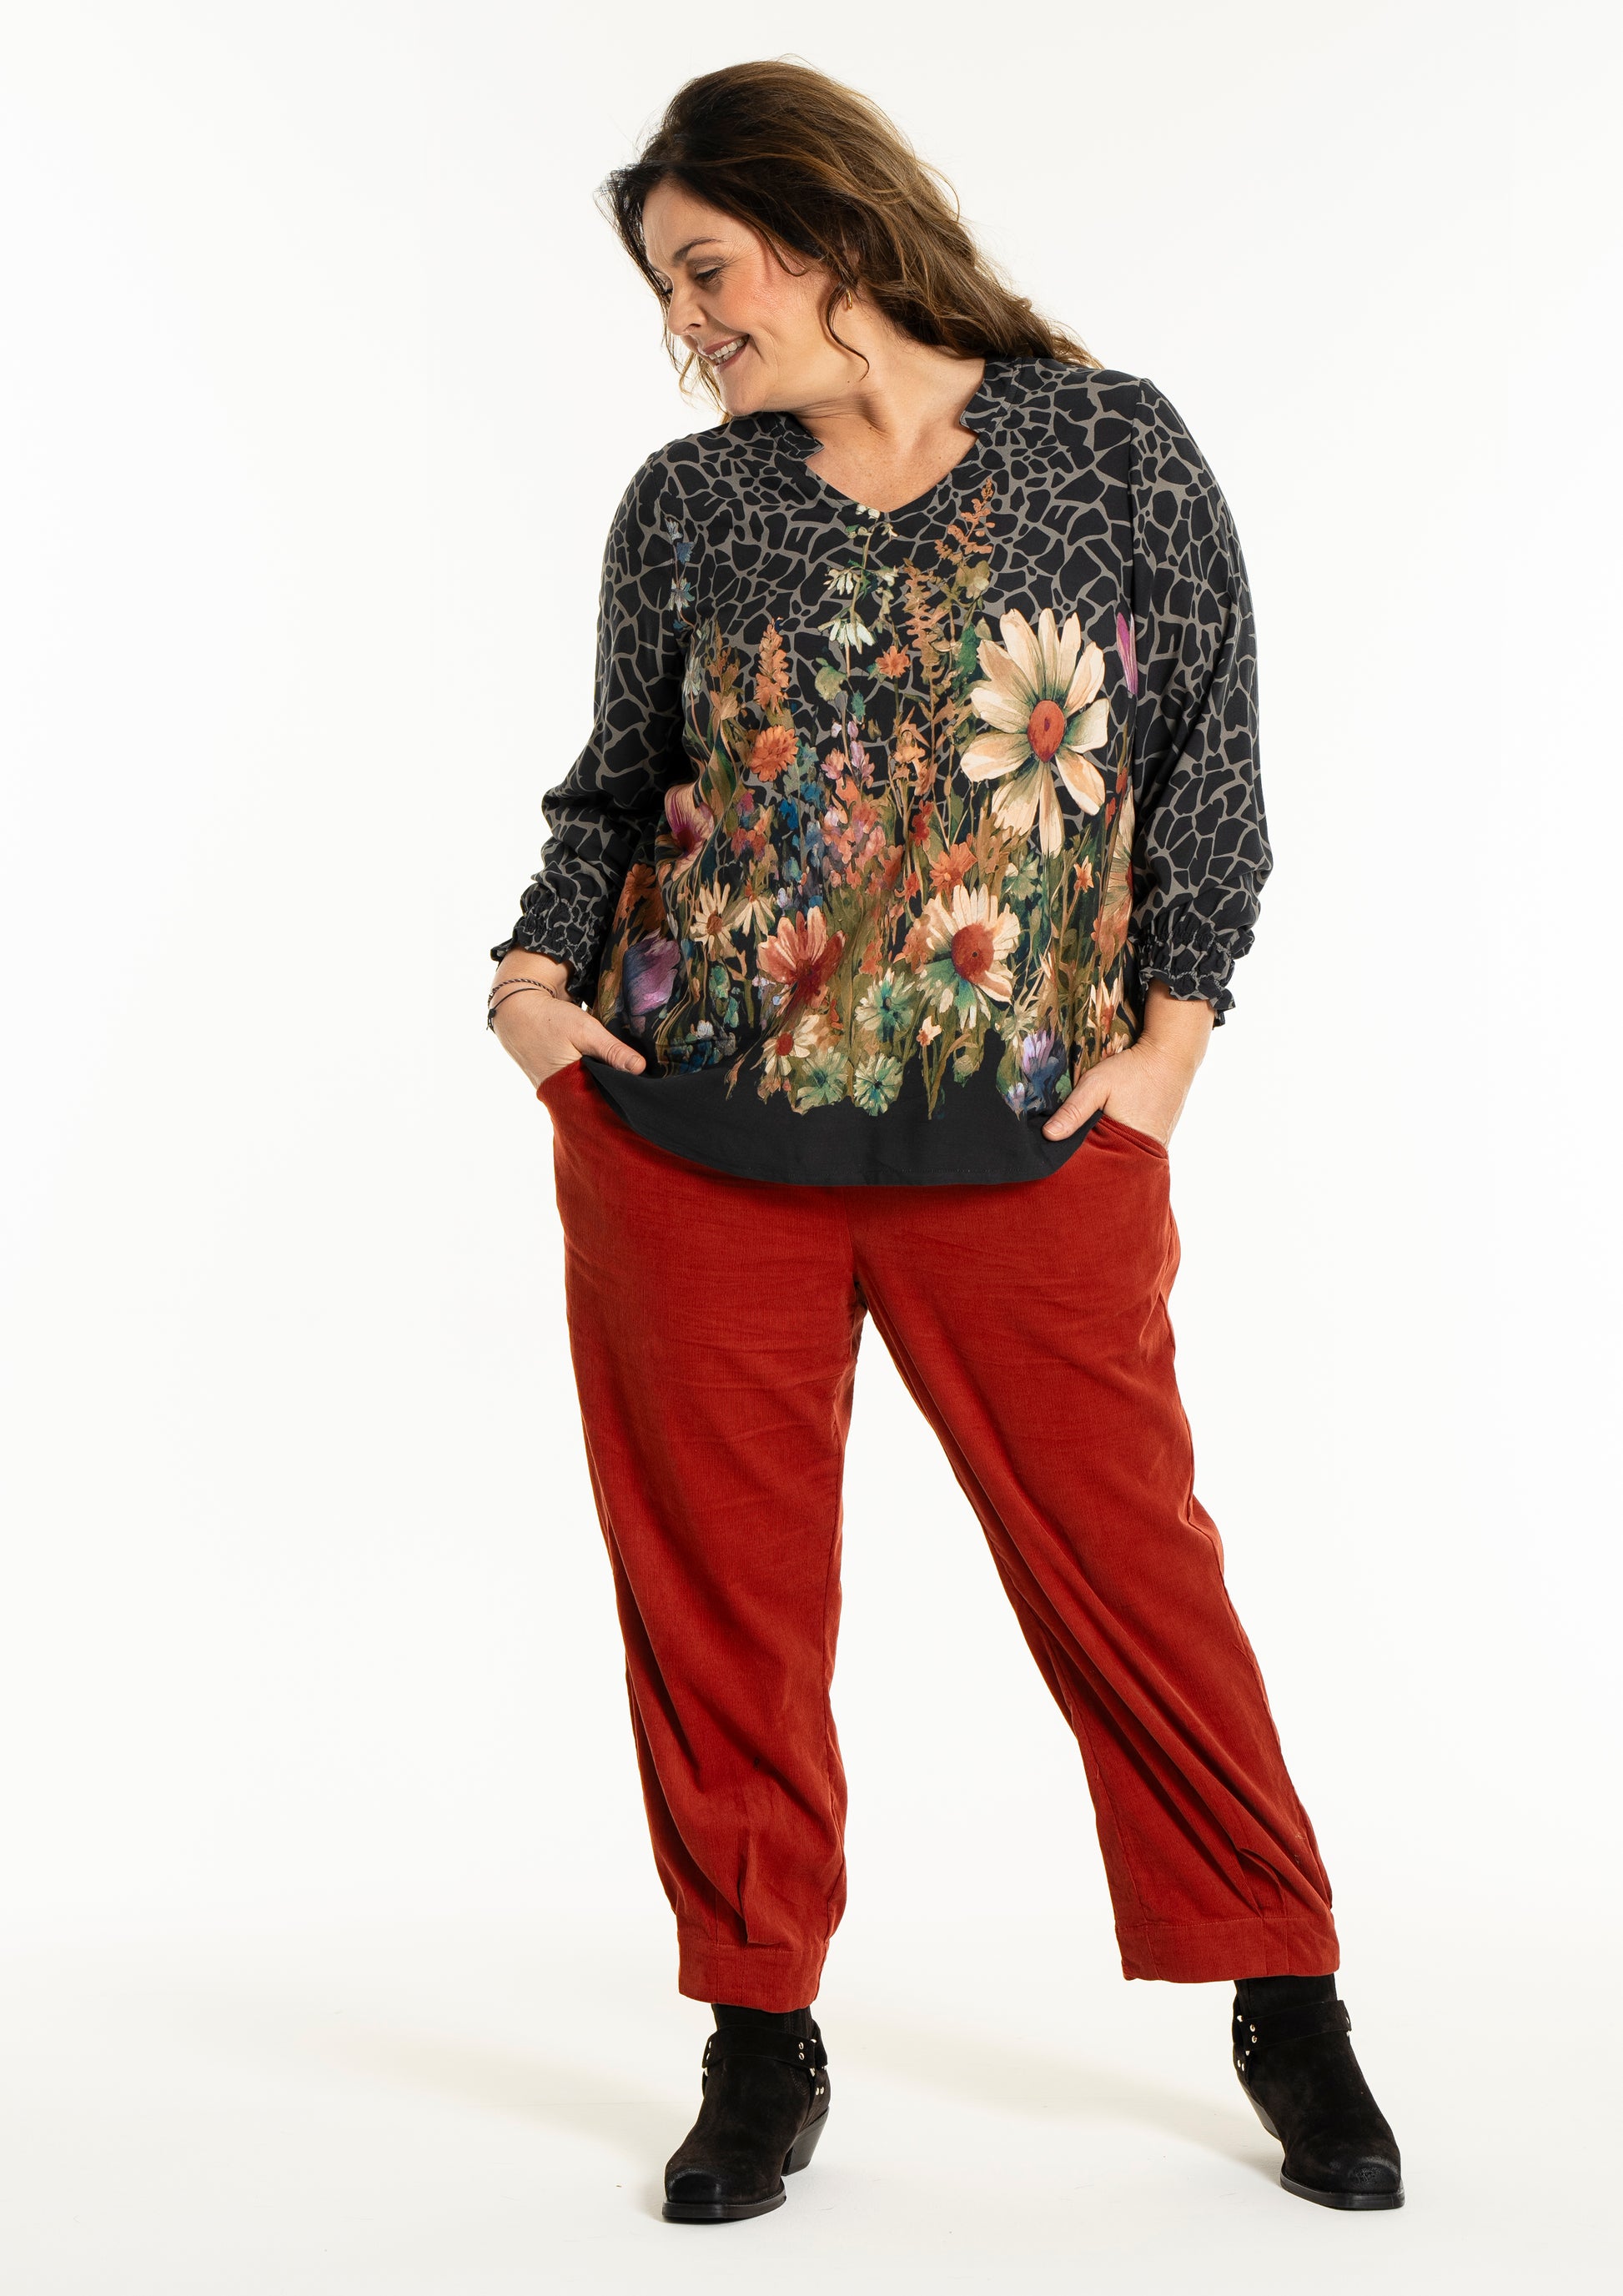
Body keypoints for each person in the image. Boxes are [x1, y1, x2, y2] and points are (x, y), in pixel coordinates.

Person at [488, 59, 1403, 2223]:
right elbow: (616, 786)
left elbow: (1210, 769)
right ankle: (758, 2034)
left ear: (826, 229)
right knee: (718, 1600)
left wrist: (1169, 1048)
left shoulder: (1110, 449)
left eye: (706, 270)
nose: (685, 323)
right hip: (688, 1133)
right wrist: (531, 986)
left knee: (1132, 1575)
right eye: (664, 291)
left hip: (1026, 1138)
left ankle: (1284, 1992)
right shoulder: (691, 504)